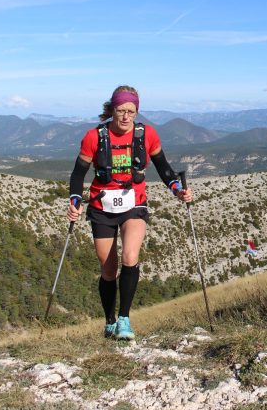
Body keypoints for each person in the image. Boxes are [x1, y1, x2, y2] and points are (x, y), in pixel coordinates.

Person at [66, 85, 192, 340]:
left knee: (130, 257)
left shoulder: (147, 135)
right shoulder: (94, 137)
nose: (125, 116)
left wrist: (178, 189)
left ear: (137, 112)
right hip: (102, 207)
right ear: (112, 110)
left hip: (135, 203)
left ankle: (125, 319)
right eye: (120, 110)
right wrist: (75, 200)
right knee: (108, 269)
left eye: (131, 112)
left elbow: (164, 168)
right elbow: (78, 173)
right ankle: (110, 320)